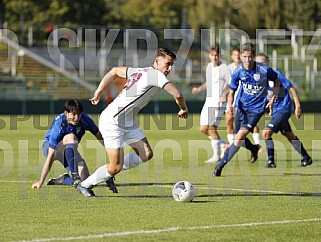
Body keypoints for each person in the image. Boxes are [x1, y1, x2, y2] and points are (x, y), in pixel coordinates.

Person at [76, 48, 189, 197]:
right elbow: (178, 94)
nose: (169, 68)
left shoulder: (140, 71)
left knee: (146, 153)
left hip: (127, 122)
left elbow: (115, 71)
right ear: (157, 61)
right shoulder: (156, 75)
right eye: (167, 64)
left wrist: (98, 91)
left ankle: (107, 174)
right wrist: (184, 109)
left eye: (172, 65)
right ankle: (84, 185)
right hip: (112, 121)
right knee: (115, 166)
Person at [212, 42, 280, 177]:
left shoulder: (264, 70)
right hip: (241, 108)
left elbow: (276, 80)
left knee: (238, 138)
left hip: (256, 110)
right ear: (241, 57)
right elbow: (231, 92)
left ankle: (219, 167)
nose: (247, 60)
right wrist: (230, 106)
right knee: (240, 139)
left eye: (249, 57)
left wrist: (272, 98)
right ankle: (254, 149)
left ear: (253, 57)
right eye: (244, 57)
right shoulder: (238, 72)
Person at [255, 53, 313, 168]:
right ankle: (307, 158)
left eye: (263, 63)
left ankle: (271, 161)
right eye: (258, 63)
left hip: (284, 109)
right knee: (289, 135)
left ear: (268, 64)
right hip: (276, 111)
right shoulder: (259, 80)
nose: (260, 65)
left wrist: (297, 106)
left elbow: (291, 88)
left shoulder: (277, 75)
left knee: (266, 132)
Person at [31, 99, 104, 189]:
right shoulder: (60, 124)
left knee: (85, 182)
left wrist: (112, 155)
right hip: (50, 148)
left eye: (78, 114)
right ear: (66, 113)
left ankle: (64, 179)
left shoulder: (85, 120)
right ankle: (74, 176)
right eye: (73, 114)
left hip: (69, 150)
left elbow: (99, 136)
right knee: (71, 137)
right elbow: (50, 156)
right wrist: (40, 181)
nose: (77, 117)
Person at [192, 46, 230, 163]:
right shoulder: (209, 66)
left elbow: (231, 83)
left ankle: (216, 156)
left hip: (218, 102)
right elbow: (209, 82)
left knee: (212, 128)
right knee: (204, 128)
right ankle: (223, 144)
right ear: (210, 55)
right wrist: (199, 89)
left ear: (219, 56)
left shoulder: (224, 68)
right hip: (208, 101)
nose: (214, 57)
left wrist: (224, 94)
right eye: (212, 55)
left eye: (216, 55)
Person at [226, 47, 262, 149]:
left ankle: (257, 143)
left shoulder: (254, 69)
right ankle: (252, 148)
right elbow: (229, 87)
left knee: (251, 125)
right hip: (235, 101)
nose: (238, 57)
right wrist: (229, 103)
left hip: (248, 102)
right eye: (236, 55)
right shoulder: (230, 68)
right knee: (233, 127)